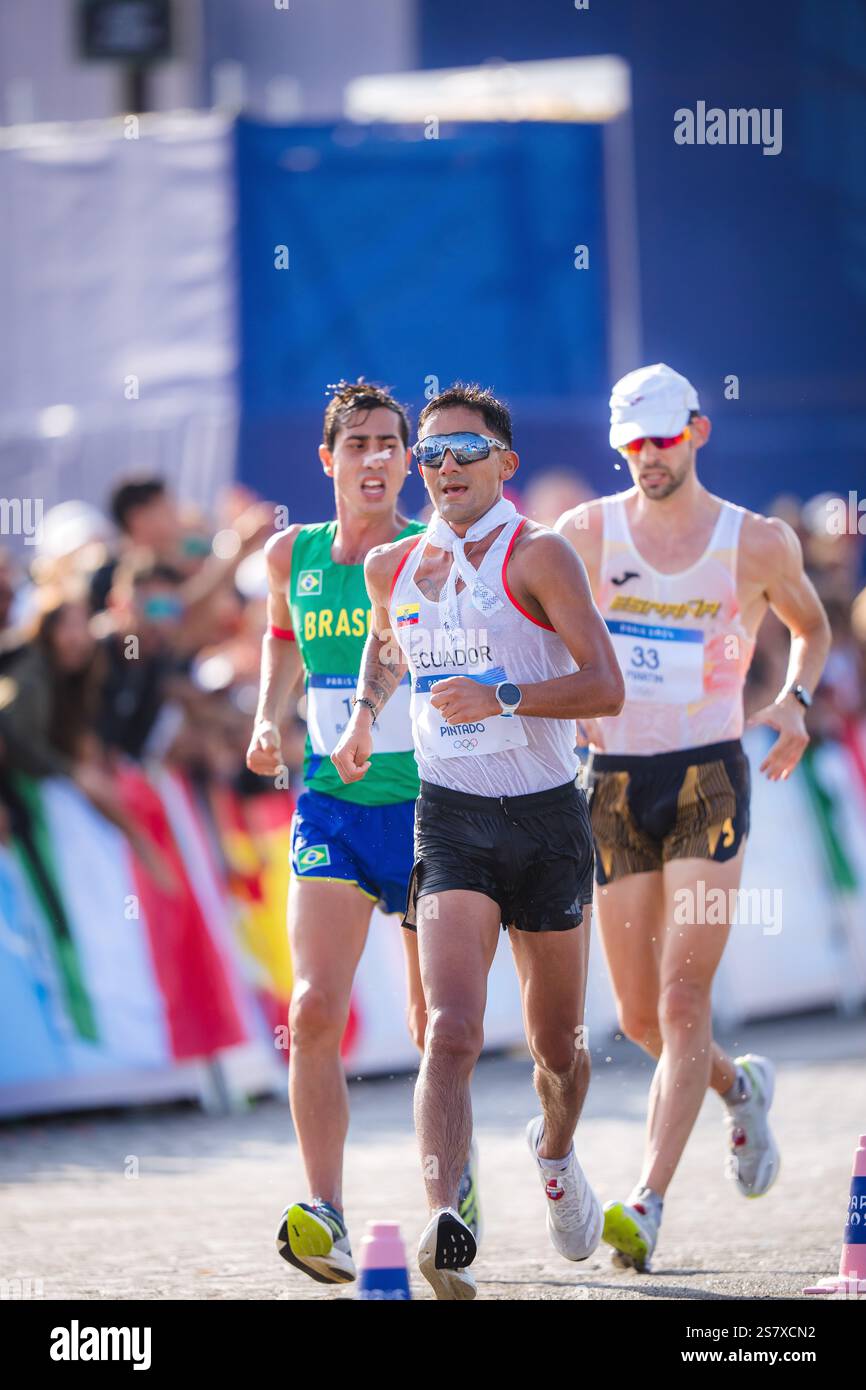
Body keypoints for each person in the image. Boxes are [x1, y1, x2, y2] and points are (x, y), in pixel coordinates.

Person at [331, 382, 624, 1299]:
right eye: (432, 455)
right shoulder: (394, 566)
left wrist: (502, 693)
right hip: (450, 818)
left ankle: (556, 1152)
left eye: (465, 451)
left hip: (545, 820)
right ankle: (445, 1218)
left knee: (556, 1046)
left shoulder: (539, 557)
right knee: (450, 1031)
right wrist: (363, 713)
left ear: (506, 462)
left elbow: (605, 686)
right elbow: (388, 645)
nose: (444, 468)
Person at [555, 362, 831, 1271]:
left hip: (709, 776)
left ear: (699, 432)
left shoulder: (756, 543)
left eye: (662, 440)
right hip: (617, 784)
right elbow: (533, 620)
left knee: (682, 998)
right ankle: (738, 1087)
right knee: (639, 1016)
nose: (646, 458)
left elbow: (811, 625)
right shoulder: (585, 533)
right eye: (630, 445)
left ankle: (648, 1200)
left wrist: (792, 700)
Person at [245, 380, 479, 1287]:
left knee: (436, 1026)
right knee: (310, 1012)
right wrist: (272, 716)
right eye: (362, 445)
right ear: (329, 460)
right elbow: (278, 638)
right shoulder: (288, 555)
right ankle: (326, 1215)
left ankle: (448, 1210)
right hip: (331, 812)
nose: (380, 459)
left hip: (429, 806)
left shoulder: (433, 556)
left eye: (394, 444)